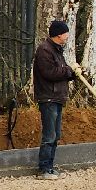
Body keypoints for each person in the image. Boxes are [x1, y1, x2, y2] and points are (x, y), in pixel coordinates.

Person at [33, 19, 77, 180]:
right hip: (48, 97)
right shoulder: (44, 50)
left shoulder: (57, 50)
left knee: (56, 134)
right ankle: (43, 169)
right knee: (49, 135)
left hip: (57, 97)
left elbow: (61, 71)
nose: (67, 36)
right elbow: (50, 73)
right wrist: (68, 71)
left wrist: (74, 73)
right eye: (66, 33)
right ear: (59, 35)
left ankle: (50, 167)